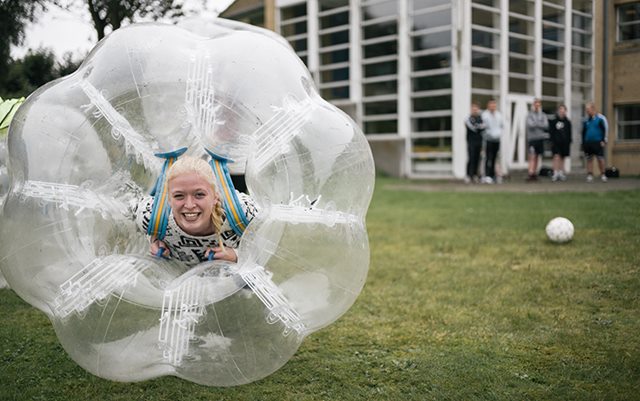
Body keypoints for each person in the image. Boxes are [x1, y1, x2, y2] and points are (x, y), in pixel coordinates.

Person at [134, 156, 259, 267]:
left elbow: (267, 245)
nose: (189, 205)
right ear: (168, 199)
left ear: (216, 196)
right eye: (179, 196)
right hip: (184, 279)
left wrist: (236, 256)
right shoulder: (149, 216)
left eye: (199, 194)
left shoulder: (245, 213)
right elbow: (123, 205)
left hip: (228, 276)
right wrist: (153, 239)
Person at [582, 102, 608, 182]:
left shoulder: (600, 118)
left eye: (588, 109)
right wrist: (583, 142)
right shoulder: (586, 120)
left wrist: (604, 140)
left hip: (598, 142)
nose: (587, 111)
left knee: (600, 158)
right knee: (589, 159)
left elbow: (605, 130)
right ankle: (590, 174)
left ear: (593, 109)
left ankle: (603, 174)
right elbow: (583, 132)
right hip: (588, 143)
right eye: (586, 110)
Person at [525, 98, 549, 181]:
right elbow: (530, 125)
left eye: (538, 104)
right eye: (535, 104)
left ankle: (535, 173)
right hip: (532, 139)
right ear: (533, 105)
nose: (537, 106)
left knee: (538, 156)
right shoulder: (529, 115)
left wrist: (536, 123)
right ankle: (530, 173)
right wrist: (539, 123)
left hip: (540, 138)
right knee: (532, 155)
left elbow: (546, 125)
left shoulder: (543, 115)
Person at [481, 99, 503, 184]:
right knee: (487, 158)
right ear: (488, 105)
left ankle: (493, 175)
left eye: (494, 104)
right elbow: (483, 127)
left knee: (494, 158)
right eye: (491, 105)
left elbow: (501, 126)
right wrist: (488, 134)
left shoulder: (499, 115)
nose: (492, 106)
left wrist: (499, 134)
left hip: (497, 140)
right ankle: (487, 175)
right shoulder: (484, 115)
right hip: (488, 140)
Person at [548, 104, 572, 182]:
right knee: (556, 157)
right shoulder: (554, 121)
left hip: (564, 143)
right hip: (556, 142)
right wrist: (551, 141)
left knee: (563, 157)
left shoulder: (567, 122)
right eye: (560, 110)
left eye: (563, 110)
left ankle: (561, 172)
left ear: (565, 111)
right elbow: (551, 132)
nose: (562, 112)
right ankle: (555, 172)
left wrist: (569, 141)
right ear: (558, 111)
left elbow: (569, 133)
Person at [465, 102, 485, 183]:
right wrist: (478, 126)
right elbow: (473, 128)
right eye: (473, 108)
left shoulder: (481, 118)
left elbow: (483, 127)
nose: (475, 110)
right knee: (471, 158)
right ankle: (468, 175)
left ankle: (475, 175)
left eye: (476, 109)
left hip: (479, 142)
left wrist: (478, 126)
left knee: (478, 159)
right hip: (471, 142)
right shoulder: (468, 118)